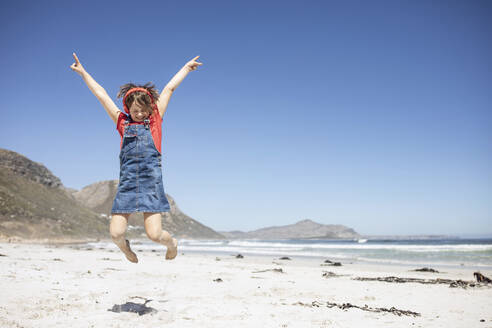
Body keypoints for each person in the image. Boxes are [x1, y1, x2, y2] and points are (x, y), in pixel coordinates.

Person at [70, 52, 202, 263]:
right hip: (128, 185)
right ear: (127, 109)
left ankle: (172, 244)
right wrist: (83, 72)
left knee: (155, 235)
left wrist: (186, 68)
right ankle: (126, 250)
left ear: (149, 108)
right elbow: (101, 94)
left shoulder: (156, 121)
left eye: (143, 110)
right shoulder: (123, 123)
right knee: (116, 235)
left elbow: (169, 88)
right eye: (134, 110)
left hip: (151, 185)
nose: (139, 114)